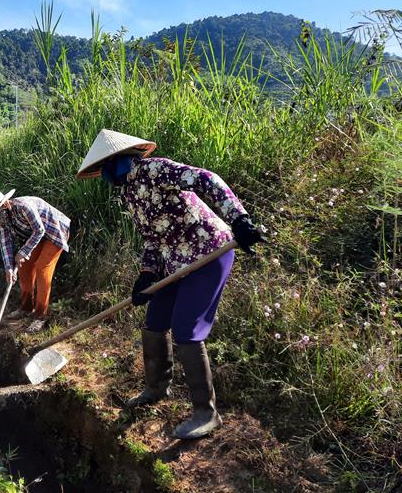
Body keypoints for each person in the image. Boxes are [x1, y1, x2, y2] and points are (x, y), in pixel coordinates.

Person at [77, 128, 265, 440]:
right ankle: (155, 389)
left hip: (208, 253)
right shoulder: (128, 193)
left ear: (116, 162)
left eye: (105, 169)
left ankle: (206, 413)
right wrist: (146, 274)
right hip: (174, 263)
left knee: (186, 329)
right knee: (154, 323)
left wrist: (239, 218)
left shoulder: (155, 169)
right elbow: (153, 236)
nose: (105, 177)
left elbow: (206, 178)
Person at [0, 189, 70, 333]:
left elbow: (39, 230)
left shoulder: (24, 207)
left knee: (42, 267)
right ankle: (26, 308)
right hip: (38, 236)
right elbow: (5, 242)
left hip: (55, 231)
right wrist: (8, 268)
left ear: (5, 204)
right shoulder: (1, 219)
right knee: (24, 266)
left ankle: (40, 315)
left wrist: (23, 252)